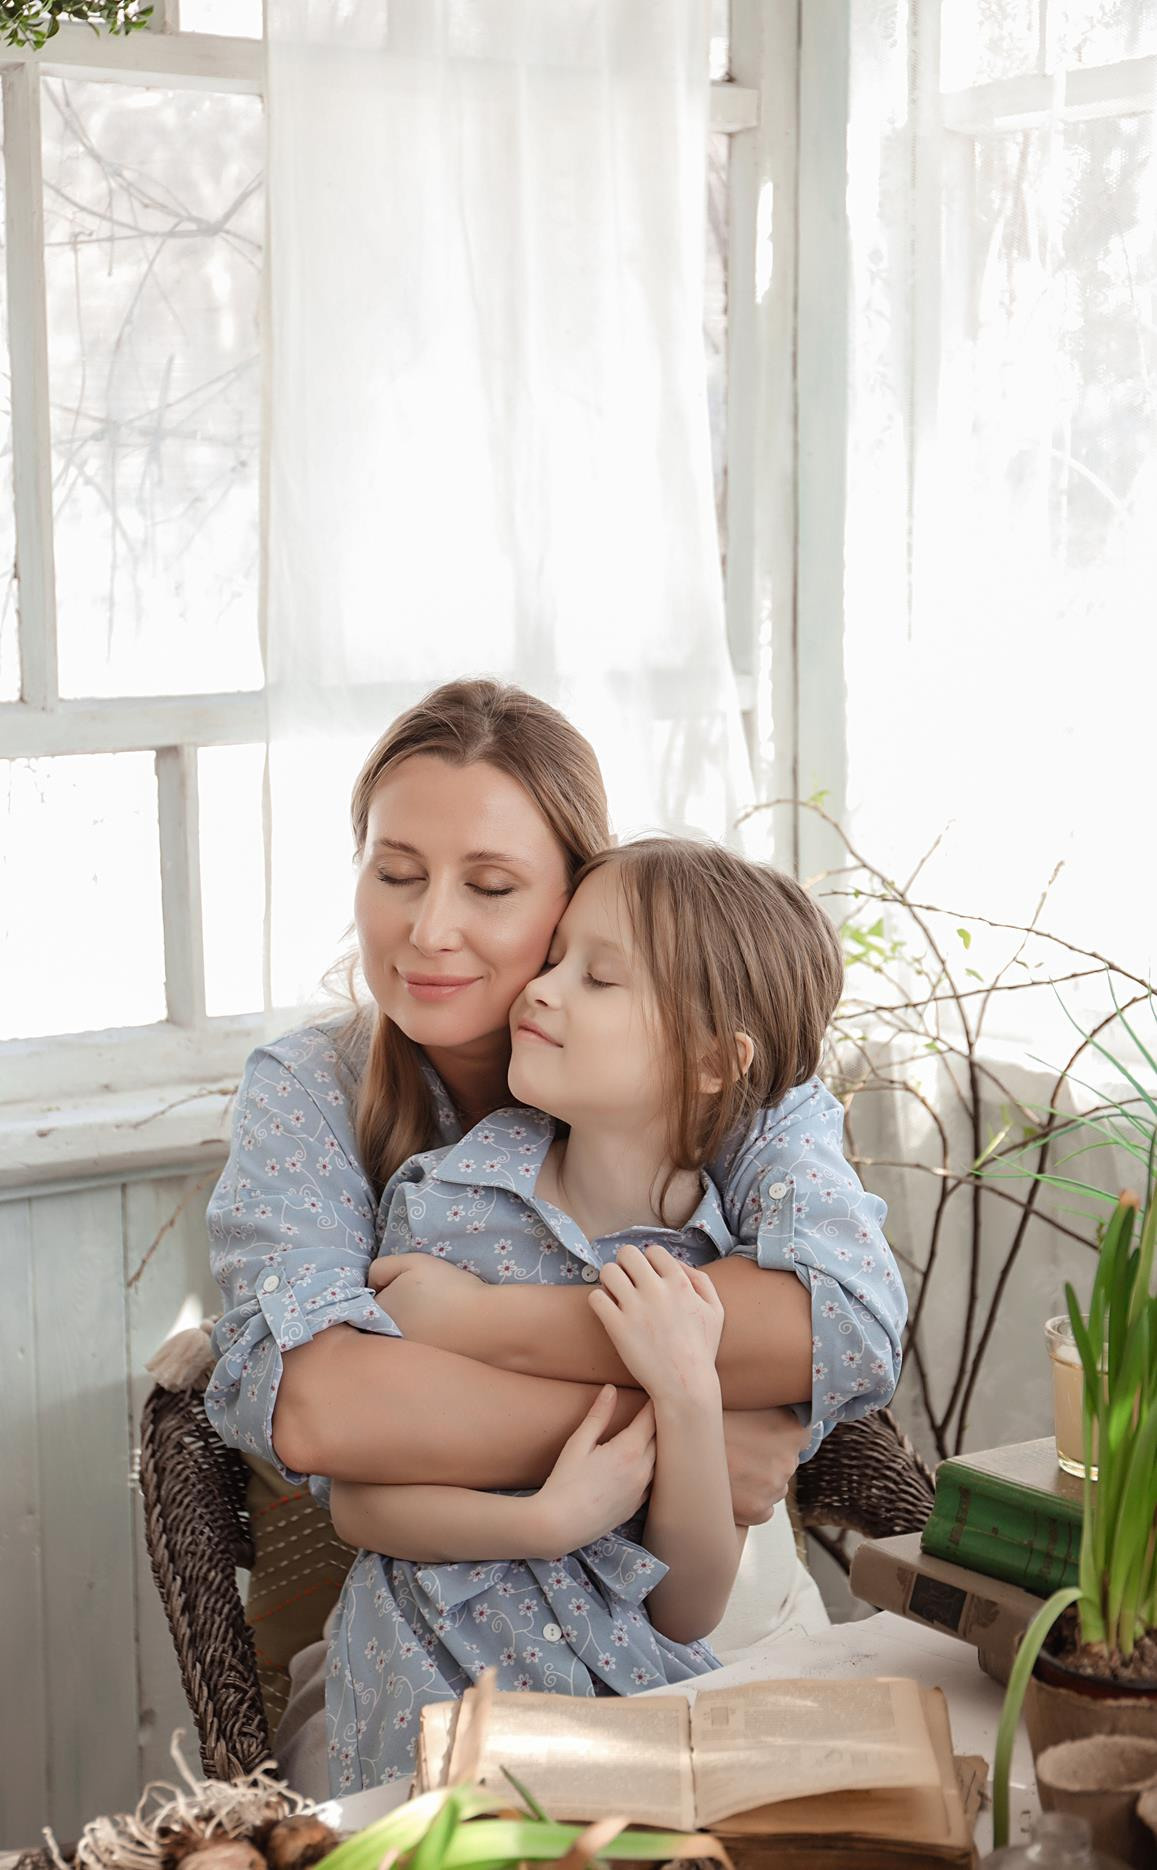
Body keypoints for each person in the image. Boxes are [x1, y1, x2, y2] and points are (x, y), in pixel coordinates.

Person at [206, 678, 906, 1788]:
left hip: (706, 1618)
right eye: (394, 875)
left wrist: (484, 1326)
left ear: (578, 892)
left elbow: (845, 1329)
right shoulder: (318, 1094)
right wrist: (682, 1428)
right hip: (453, 1628)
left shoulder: (726, 1062)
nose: (429, 928)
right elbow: (316, 1404)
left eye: (489, 886)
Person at [321, 836, 853, 1791]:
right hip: (428, 1707)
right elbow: (361, 1502)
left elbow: (688, 1609)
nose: (541, 988)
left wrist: (688, 1394)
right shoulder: (445, 1207)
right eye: (555, 957)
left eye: (596, 978)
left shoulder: (711, 1278)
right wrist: (547, 1520)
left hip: (630, 1717)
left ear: (709, 1062)